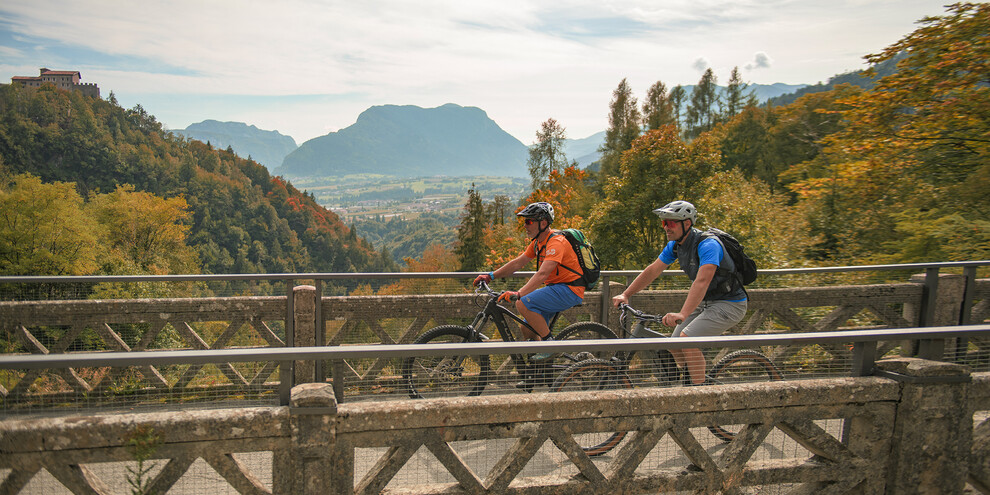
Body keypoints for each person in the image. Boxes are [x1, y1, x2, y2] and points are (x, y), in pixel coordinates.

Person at [611, 200, 748, 386]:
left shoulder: (708, 245)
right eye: (664, 223)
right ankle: (691, 381)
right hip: (705, 302)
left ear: (687, 223)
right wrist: (626, 294)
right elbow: (653, 270)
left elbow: (702, 281)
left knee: (687, 340)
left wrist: (683, 314)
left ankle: (698, 397)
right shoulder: (676, 245)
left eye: (672, 222)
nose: (666, 227)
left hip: (730, 304)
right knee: (674, 345)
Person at [472, 201, 587, 343]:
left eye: (529, 221)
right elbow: (517, 263)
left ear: (543, 223)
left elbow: (543, 274)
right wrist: (490, 276)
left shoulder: (556, 242)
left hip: (570, 289)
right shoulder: (538, 243)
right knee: (527, 329)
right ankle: (541, 363)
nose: (525, 225)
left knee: (523, 303)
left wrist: (519, 293)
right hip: (555, 289)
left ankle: (550, 345)